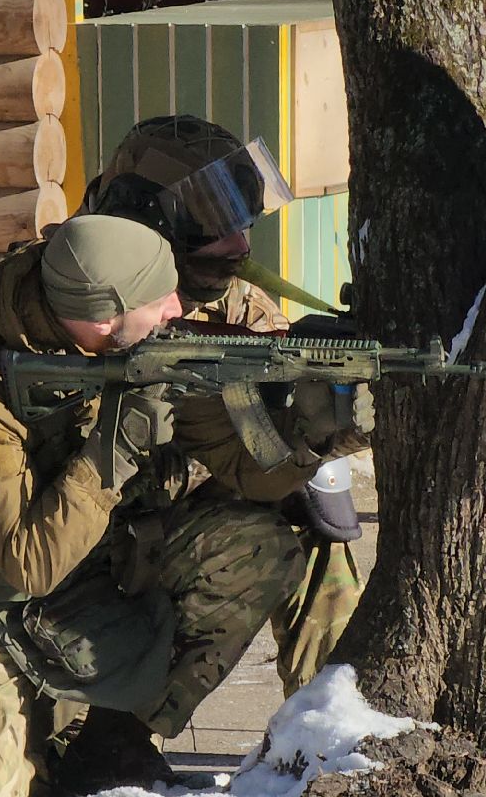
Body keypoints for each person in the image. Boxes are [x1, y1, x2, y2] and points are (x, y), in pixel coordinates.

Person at [0, 213, 368, 797]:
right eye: (160, 297)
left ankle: (111, 740)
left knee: (254, 544)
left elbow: (243, 471)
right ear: (102, 321)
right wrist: (114, 448)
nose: (180, 306)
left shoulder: (142, 346)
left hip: (106, 576)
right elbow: (29, 563)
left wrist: (318, 435)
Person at [78, 114, 365, 695]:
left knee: (310, 528)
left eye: (243, 216)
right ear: (146, 219)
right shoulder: (69, 298)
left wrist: (321, 431)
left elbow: (263, 460)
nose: (241, 243)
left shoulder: (242, 311)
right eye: (215, 221)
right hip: (73, 548)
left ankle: (327, 723)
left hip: (180, 533)